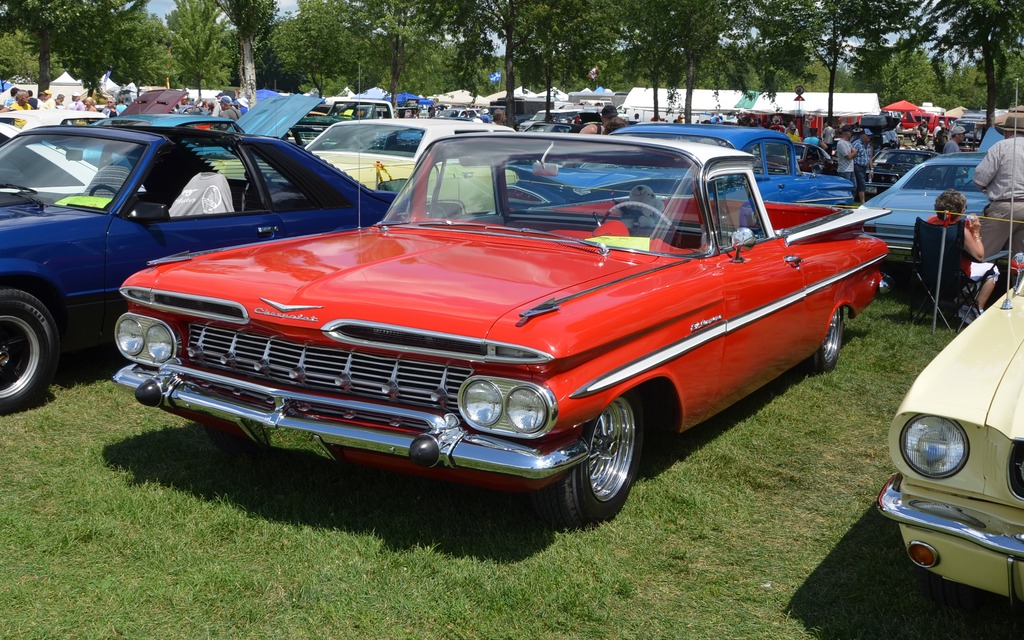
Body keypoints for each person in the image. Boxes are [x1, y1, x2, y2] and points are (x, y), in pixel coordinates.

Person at [927, 189, 998, 324]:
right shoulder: (960, 231)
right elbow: (979, 256)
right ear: (960, 211)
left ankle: (961, 304)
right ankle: (975, 309)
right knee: (993, 270)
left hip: (931, 273)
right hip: (955, 277)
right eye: (965, 207)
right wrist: (975, 232)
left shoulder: (929, 222)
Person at [975, 113, 1024, 260]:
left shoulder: (1001, 147)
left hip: (1004, 207)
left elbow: (979, 178)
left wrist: (988, 189)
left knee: (981, 253)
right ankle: (1018, 282)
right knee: (1020, 260)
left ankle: (977, 282)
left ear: (1008, 132)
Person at [852, 127, 873, 203]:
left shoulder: (868, 145)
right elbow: (852, 155)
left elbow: (869, 157)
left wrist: (871, 169)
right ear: (863, 135)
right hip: (857, 166)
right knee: (861, 184)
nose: (869, 137)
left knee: (860, 183)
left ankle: (857, 200)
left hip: (864, 167)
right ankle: (862, 202)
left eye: (870, 136)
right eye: (867, 135)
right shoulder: (856, 144)